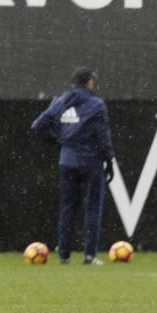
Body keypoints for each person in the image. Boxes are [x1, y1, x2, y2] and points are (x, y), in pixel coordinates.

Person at [30, 67, 115, 265]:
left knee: (67, 208)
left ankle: (64, 255)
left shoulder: (61, 101)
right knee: (92, 207)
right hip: (91, 162)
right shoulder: (96, 104)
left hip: (67, 161)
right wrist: (109, 160)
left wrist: (59, 142)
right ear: (89, 82)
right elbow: (103, 137)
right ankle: (89, 255)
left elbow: (37, 126)